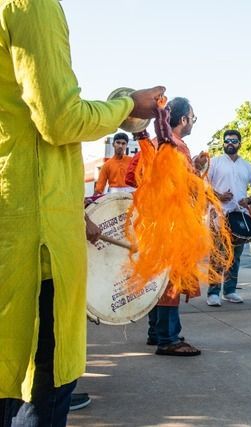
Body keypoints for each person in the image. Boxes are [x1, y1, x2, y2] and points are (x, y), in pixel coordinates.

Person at [0, 0, 164, 424]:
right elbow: (60, 119)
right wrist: (125, 106)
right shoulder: (30, 5)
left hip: (16, 224)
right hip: (36, 247)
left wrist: (75, 211)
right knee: (37, 390)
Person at [127, 97, 204, 356]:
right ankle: (169, 339)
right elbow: (185, 186)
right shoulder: (176, 146)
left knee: (156, 277)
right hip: (171, 224)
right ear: (183, 120)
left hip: (152, 222)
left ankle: (155, 332)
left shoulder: (154, 144)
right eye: (193, 117)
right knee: (170, 281)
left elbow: (131, 176)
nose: (193, 121)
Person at [206, 130, 251, 306]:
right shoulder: (214, 162)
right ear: (223, 143)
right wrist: (219, 195)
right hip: (219, 215)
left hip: (240, 216)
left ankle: (229, 291)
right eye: (227, 140)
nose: (230, 143)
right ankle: (213, 293)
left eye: (234, 140)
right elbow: (204, 185)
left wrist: (249, 199)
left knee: (235, 256)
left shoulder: (247, 165)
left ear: (240, 143)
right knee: (217, 255)